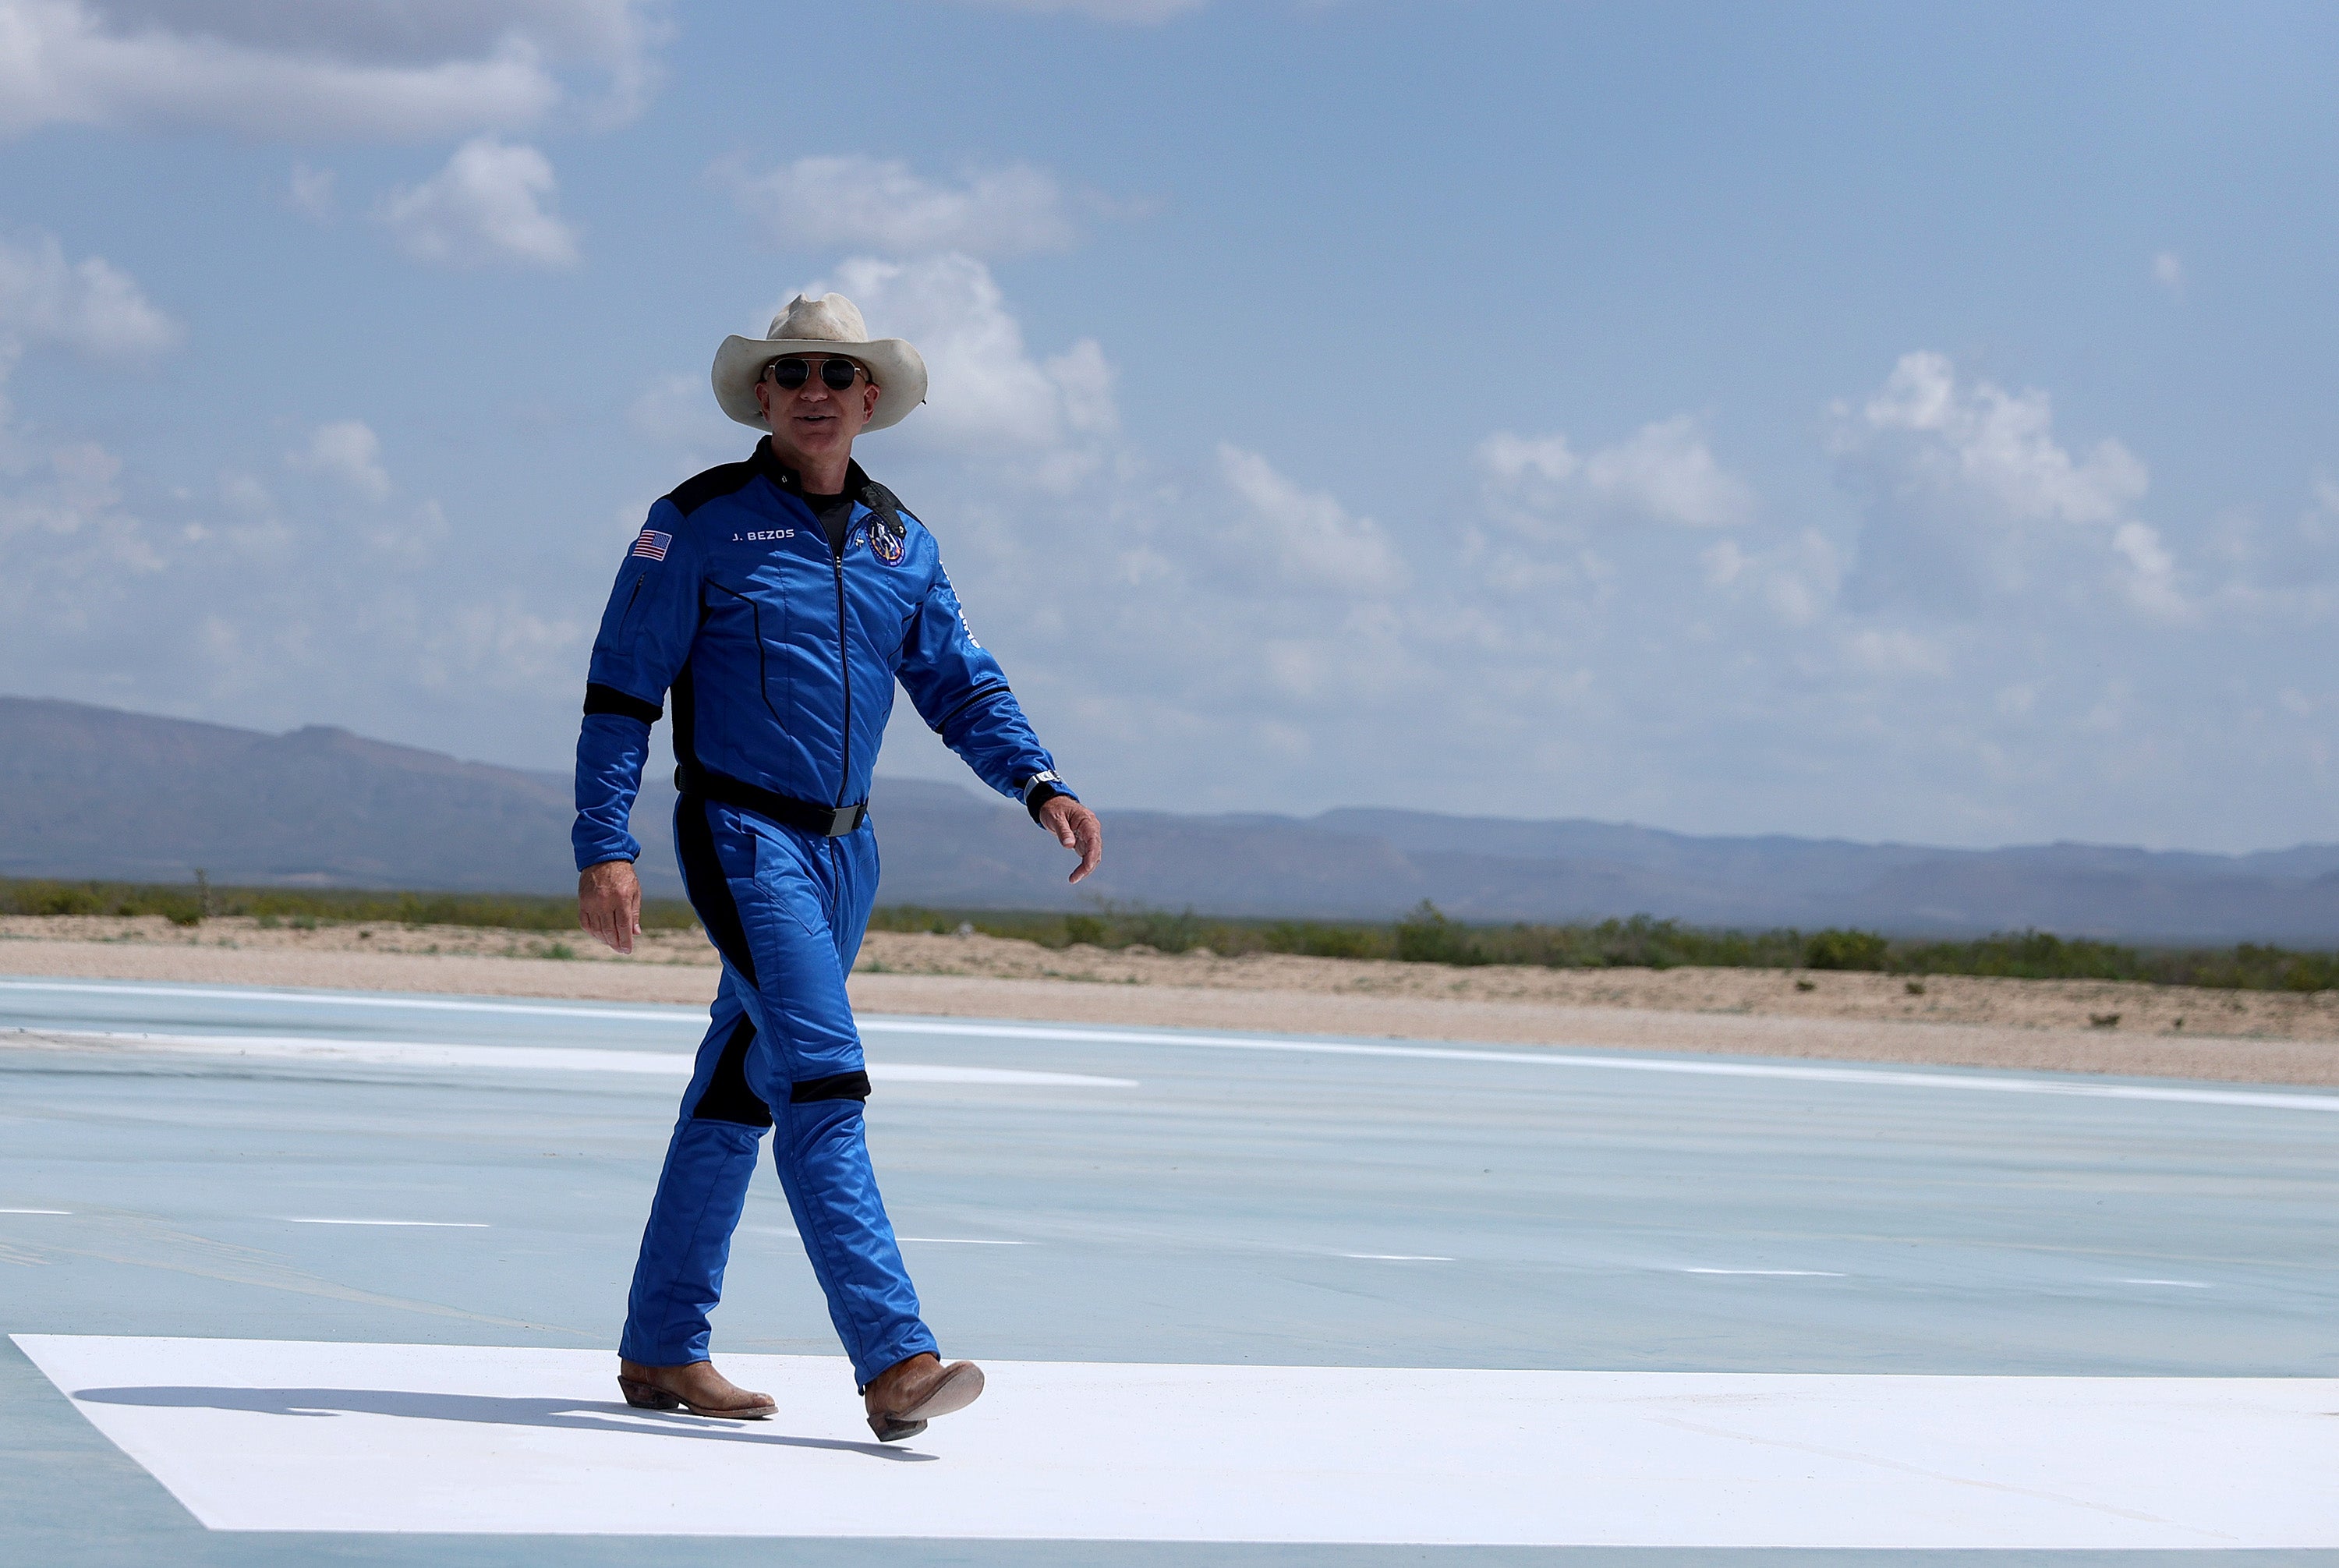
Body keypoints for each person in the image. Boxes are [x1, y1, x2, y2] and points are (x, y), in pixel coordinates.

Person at [571, 292, 1102, 1441]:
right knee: (824, 1078)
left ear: (871, 399)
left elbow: (959, 681)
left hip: (847, 853)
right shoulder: (697, 522)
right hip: (742, 837)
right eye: (794, 371)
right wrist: (604, 842)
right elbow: (621, 694)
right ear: (763, 396)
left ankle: (663, 1346)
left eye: (838, 373)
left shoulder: (902, 543)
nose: (816, 389)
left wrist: (1038, 782)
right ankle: (894, 1357)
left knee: (732, 1094)